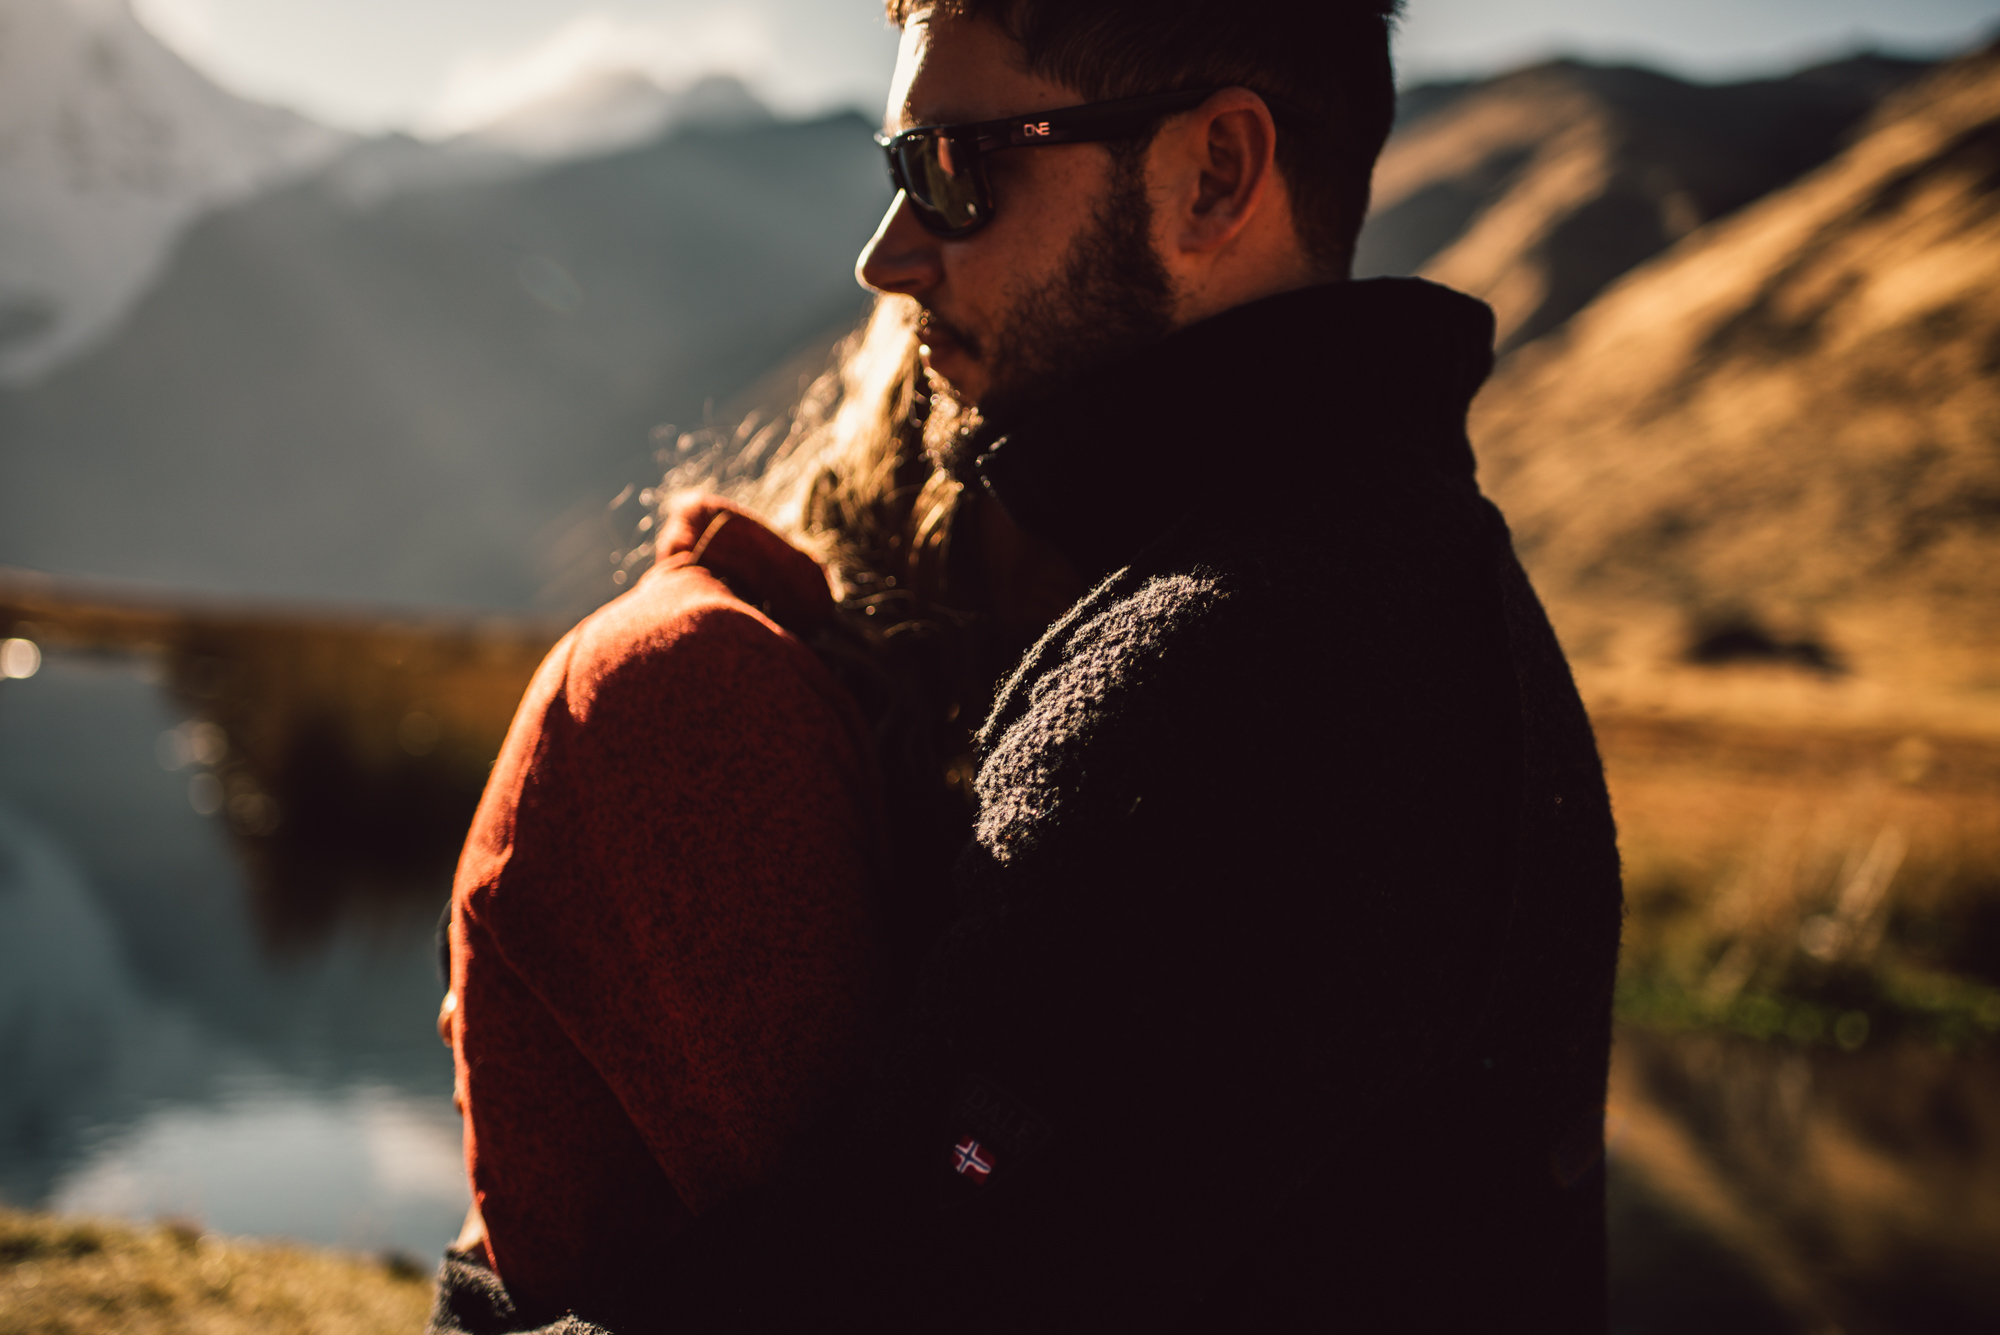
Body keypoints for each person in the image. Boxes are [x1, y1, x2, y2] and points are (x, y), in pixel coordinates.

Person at [435, 0, 1624, 1331]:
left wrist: (485, 1315)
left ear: (1215, 174)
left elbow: (928, 1250)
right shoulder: (1410, 579)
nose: (887, 259)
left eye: (951, 169)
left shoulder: (1237, 664)